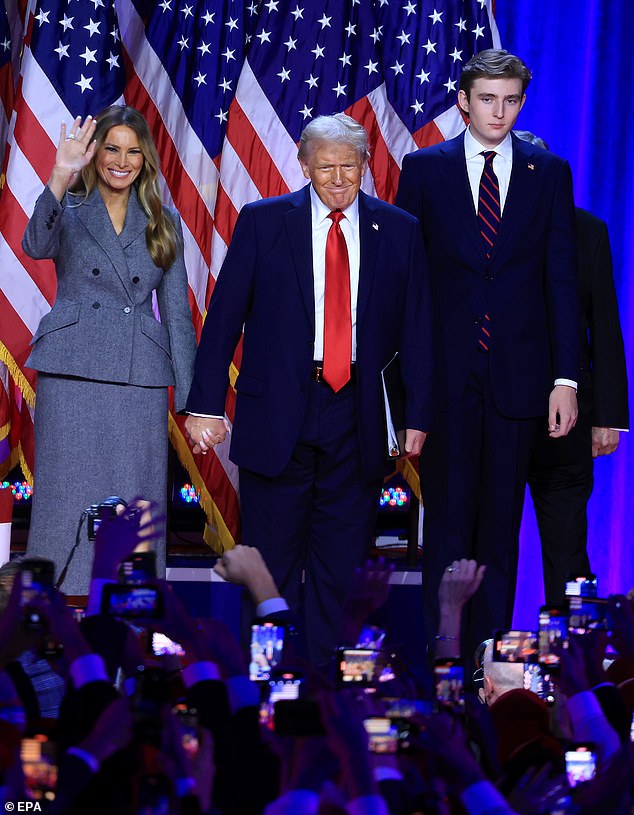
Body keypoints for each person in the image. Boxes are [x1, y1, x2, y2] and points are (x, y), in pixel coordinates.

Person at [185, 113, 434, 665]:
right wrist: (203, 404)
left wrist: (417, 415)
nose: (340, 178)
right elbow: (224, 320)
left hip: (359, 416)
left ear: (367, 165)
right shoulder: (264, 222)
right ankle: (269, 684)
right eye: (327, 167)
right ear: (304, 166)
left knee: (340, 566)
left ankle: (324, 688)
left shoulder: (398, 229)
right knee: (269, 563)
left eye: (350, 166)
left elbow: (417, 329)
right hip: (278, 414)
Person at [395, 50, 580, 662]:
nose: (500, 112)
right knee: (446, 531)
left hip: (519, 381)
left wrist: (565, 379)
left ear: (521, 104)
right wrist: (411, 389)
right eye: (488, 100)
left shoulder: (547, 171)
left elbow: (560, 279)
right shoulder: (423, 169)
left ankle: (489, 669)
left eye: (511, 101)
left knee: (500, 535)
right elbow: (410, 285)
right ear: (463, 103)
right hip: (447, 382)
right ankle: (442, 664)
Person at [22, 105, 197, 595]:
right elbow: (34, 245)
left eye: (133, 152)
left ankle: (129, 627)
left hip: (137, 379)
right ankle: (51, 621)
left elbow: (178, 316)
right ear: (95, 152)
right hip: (71, 372)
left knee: (134, 510)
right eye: (111, 149)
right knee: (64, 504)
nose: (121, 161)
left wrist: (194, 404)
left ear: (146, 159)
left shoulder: (164, 220)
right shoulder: (69, 208)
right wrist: (60, 173)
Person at [516, 131, 630, 606]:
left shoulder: (588, 230)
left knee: (567, 551)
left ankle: (569, 661)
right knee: (486, 547)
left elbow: (604, 325)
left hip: (567, 422)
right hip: (491, 412)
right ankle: (483, 667)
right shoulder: (479, 233)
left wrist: (608, 416)